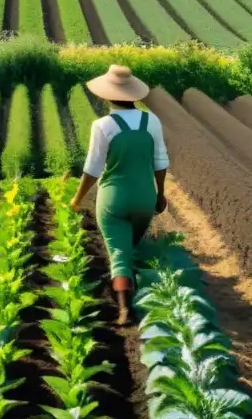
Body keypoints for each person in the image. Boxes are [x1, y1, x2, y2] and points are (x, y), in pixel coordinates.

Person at [69, 64, 170, 325]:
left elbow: (92, 168)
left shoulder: (103, 125)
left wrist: (78, 199)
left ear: (106, 95)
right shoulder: (152, 121)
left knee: (118, 252)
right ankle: (134, 287)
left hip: (114, 198)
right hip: (144, 197)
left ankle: (125, 308)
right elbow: (160, 162)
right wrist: (160, 196)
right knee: (130, 248)